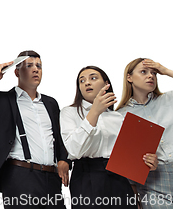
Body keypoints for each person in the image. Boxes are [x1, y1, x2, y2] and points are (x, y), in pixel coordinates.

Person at [0, 50, 70, 209]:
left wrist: (64, 159)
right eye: (29, 65)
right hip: (19, 176)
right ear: (17, 72)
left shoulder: (51, 103)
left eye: (39, 66)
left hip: (51, 178)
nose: (36, 69)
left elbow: (58, 135)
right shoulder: (1, 101)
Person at [60, 66, 157, 209]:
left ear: (106, 84)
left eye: (93, 78)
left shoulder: (118, 117)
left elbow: (130, 156)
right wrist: (94, 112)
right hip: (86, 176)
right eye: (82, 81)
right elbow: (74, 151)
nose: (87, 83)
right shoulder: (69, 112)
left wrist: (148, 162)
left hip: (118, 178)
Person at [116, 59, 173, 209]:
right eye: (144, 72)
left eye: (154, 73)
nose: (150, 76)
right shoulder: (120, 117)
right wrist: (144, 164)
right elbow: (126, 161)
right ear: (129, 77)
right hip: (155, 186)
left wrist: (165, 70)